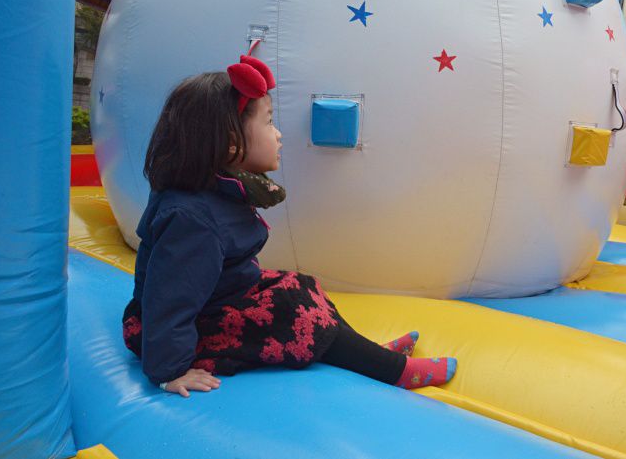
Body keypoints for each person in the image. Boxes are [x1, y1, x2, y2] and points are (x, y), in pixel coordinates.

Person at [122, 45, 457, 397]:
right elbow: (170, 300)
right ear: (231, 143)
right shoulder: (192, 220)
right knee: (295, 311)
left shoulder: (214, 189)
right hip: (173, 334)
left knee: (301, 287)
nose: (278, 133)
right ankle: (395, 371)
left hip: (216, 301)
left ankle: (368, 353)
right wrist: (169, 371)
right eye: (268, 122)